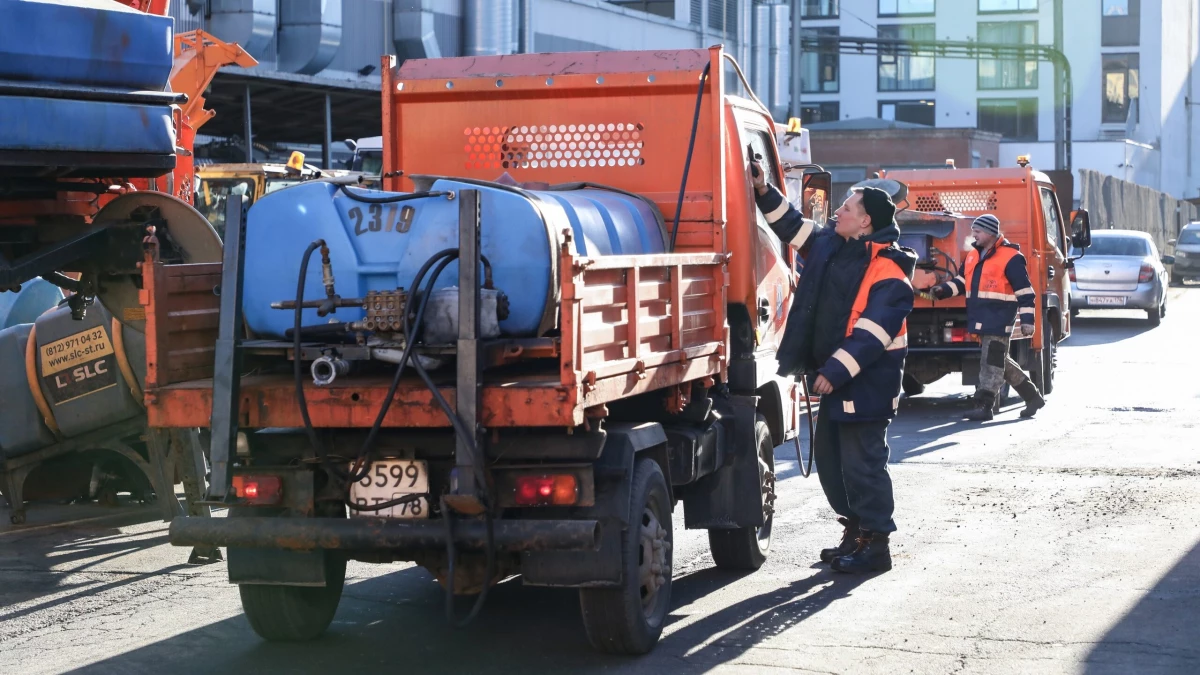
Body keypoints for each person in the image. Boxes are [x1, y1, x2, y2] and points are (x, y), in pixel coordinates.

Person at [751, 161, 915, 574]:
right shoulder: (832, 245)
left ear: (865, 223)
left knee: (863, 465)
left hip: (867, 386)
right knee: (833, 462)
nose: (838, 210)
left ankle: (876, 546)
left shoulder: (889, 271)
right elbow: (793, 226)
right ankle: (856, 532)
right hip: (839, 381)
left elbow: (872, 334)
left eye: (848, 207)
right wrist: (763, 188)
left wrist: (834, 372)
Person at [924, 214, 1045, 421]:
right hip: (981, 317)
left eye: (977, 231)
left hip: (999, 318)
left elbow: (1025, 292)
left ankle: (984, 406)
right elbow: (962, 282)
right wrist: (942, 290)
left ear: (990, 233)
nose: (973, 234)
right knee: (999, 361)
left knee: (990, 363)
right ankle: (1032, 397)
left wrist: (1027, 321)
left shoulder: (1011, 257)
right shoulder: (972, 256)